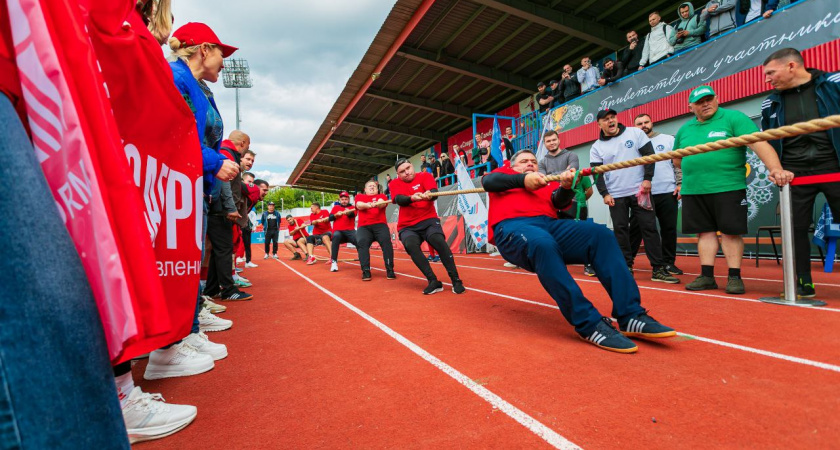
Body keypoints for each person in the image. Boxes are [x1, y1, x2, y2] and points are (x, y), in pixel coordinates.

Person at [483, 150, 676, 353]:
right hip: (513, 227)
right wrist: (523, 179)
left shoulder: (545, 182)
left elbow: (559, 203)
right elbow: (489, 182)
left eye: (533, 161)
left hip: (548, 224)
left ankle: (631, 315)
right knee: (543, 243)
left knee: (601, 234)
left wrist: (566, 187)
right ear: (512, 166)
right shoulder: (504, 174)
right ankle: (588, 323)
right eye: (524, 161)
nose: (530, 164)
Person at [674, 85, 793, 294]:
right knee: (705, 233)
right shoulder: (684, 129)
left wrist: (775, 169)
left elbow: (759, 143)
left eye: (709, 99)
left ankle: (734, 277)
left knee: (731, 232)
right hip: (694, 189)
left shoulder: (734, 118)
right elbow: (676, 160)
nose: (706, 104)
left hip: (728, 186)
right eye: (700, 102)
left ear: (717, 99)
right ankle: (707, 276)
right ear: (690, 106)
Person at [761, 48, 840, 298]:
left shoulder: (834, 82)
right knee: (793, 229)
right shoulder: (769, 101)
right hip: (793, 173)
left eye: (771, 72)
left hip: (834, 166)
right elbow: (767, 140)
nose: (767, 79)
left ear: (792, 66)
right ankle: (803, 281)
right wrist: (777, 168)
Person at [589, 109, 679, 283]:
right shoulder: (596, 147)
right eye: (606, 120)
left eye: (612, 117)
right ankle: (626, 267)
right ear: (599, 124)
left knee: (650, 228)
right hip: (616, 195)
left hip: (640, 192)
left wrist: (647, 179)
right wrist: (604, 194)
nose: (611, 121)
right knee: (621, 231)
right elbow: (597, 173)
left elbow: (649, 157)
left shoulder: (635, 133)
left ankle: (658, 269)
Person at [390, 158, 465, 294]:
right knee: (410, 245)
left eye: (408, 168)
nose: (406, 172)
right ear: (398, 174)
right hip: (407, 225)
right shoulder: (394, 183)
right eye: (402, 171)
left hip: (428, 219)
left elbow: (433, 192)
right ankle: (433, 281)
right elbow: (399, 199)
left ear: (412, 166)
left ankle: (456, 280)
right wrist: (412, 197)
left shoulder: (425, 176)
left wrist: (429, 195)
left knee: (438, 241)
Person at [630, 114, 683, 276]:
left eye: (646, 122)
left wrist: (680, 183)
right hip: (642, 194)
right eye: (639, 124)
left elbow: (678, 163)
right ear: (634, 126)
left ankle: (668, 263)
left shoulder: (668, 140)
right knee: (635, 229)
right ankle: (627, 262)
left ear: (652, 122)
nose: (643, 125)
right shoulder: (632, 145)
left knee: (668, 228)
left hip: (667, 190)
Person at [538, 130, 596, 276]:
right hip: (552, 201)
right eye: (548, 141)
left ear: (558, 140)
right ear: (544, 144)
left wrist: (554, 176)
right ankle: (556, 264)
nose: (551, 143)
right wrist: (561, 175)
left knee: (582, 233)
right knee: (554, 234)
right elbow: (542, 180)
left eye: (553, 140)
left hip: (574, 201)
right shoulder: (542, 162)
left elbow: (572, 173)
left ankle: (588, 264)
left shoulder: (571, 155)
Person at [355, 180, 397, 280]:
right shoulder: (360, 196)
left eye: (374, 186)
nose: (372, 187)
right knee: (362, 243)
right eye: (369, 186)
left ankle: (390, 269)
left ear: (377, 189)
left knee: (387, 243)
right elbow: (359, 205)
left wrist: (377, 203)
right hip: (364, 227)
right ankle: (366, 271)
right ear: (365, 189)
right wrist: (368, 205)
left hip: (380, 225)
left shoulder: (381, 196)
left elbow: (382, 204)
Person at [328, 191, 357, 272]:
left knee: (359, 239)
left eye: (346, 199)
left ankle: (364, 262)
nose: (344, 201)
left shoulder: (353, 207)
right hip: (338, 231)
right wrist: (335, 215)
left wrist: (347, 212)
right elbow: (330, 218)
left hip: (350, 231)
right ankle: (334, 262)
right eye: (342, 199)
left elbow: (352, 215)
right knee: (336, 236)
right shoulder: (335, 208)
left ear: (348, 199)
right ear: (340, 200)